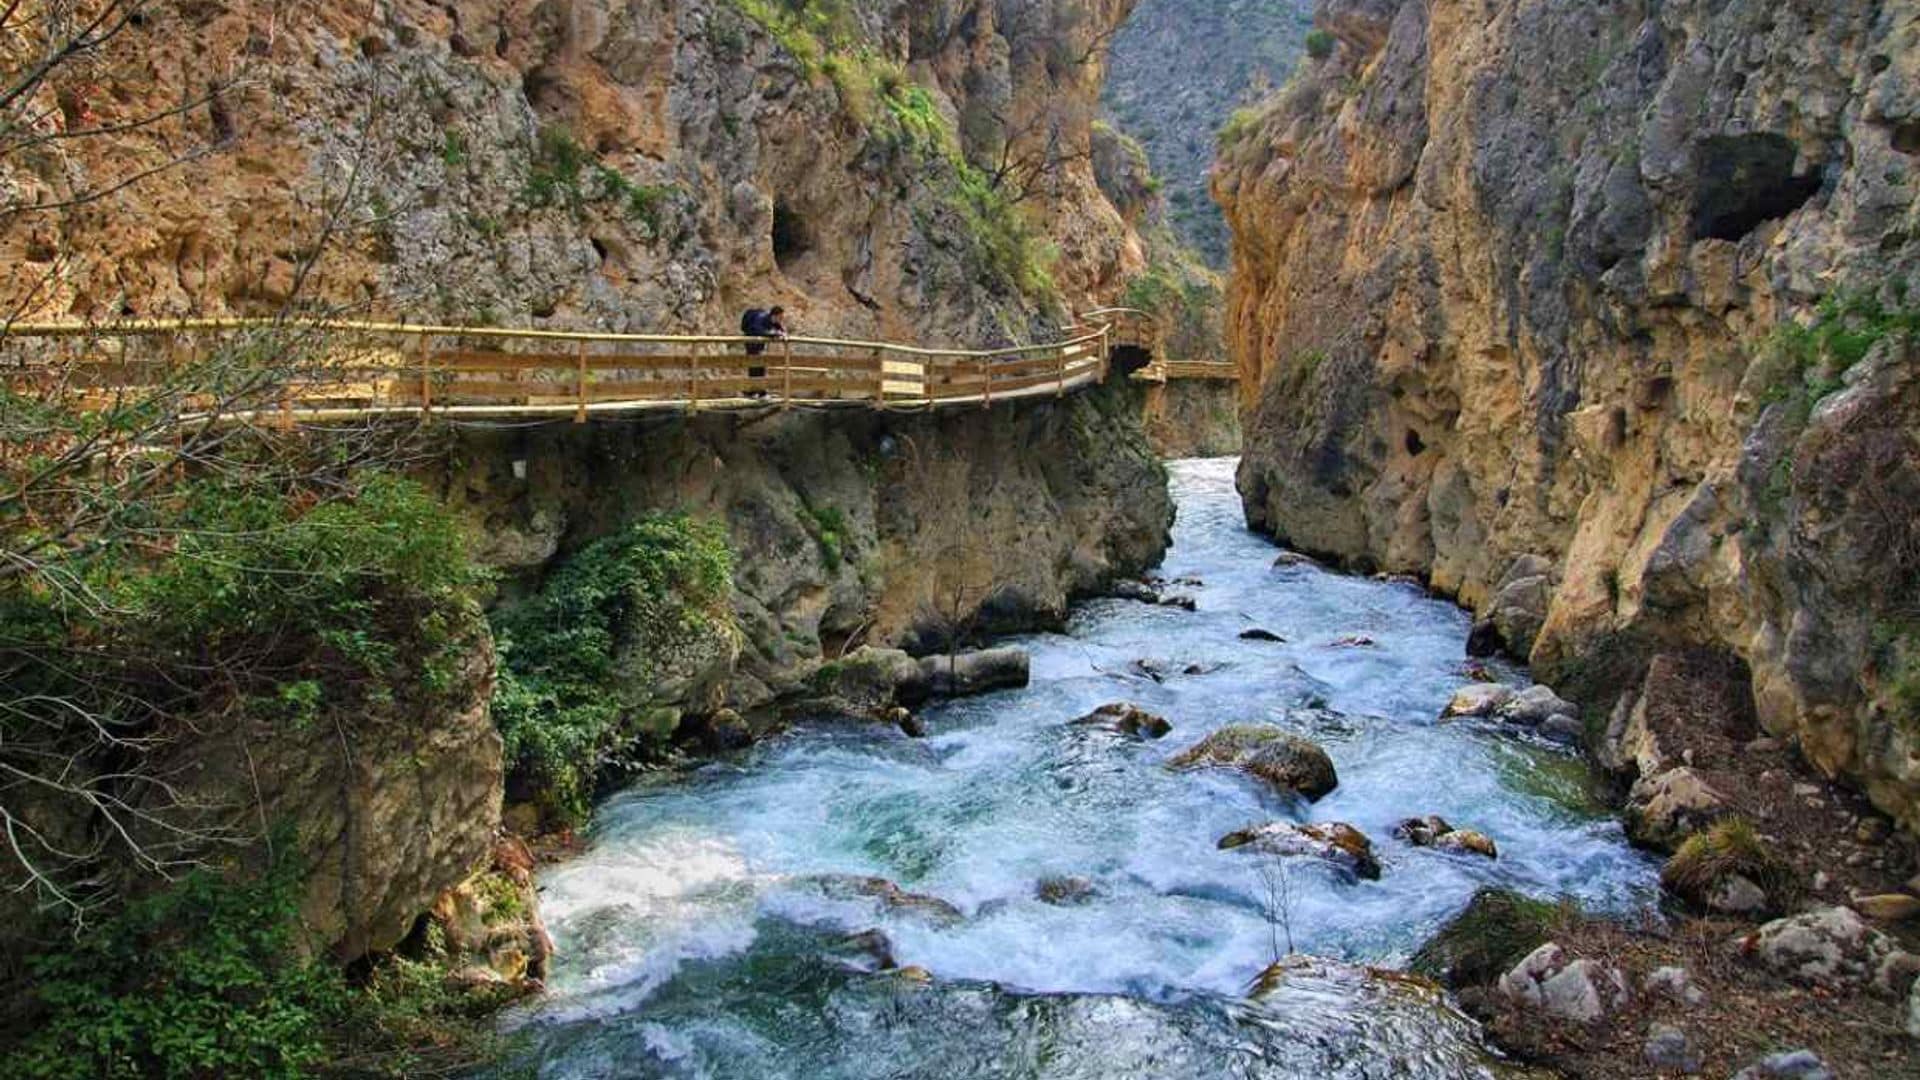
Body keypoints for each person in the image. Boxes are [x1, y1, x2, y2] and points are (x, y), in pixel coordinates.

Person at [739, 306, 787, 399]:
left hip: (759, 344)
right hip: (751, 343)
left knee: (760, 367)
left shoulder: (772, 321)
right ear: (775, 315)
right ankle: (755, 392)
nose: (781, 320)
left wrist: (782, 333)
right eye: (780, 317)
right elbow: (757, 330)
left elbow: (780, 329)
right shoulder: (761, 318)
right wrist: (772, 334)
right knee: (755, 367)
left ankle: (757, 391)